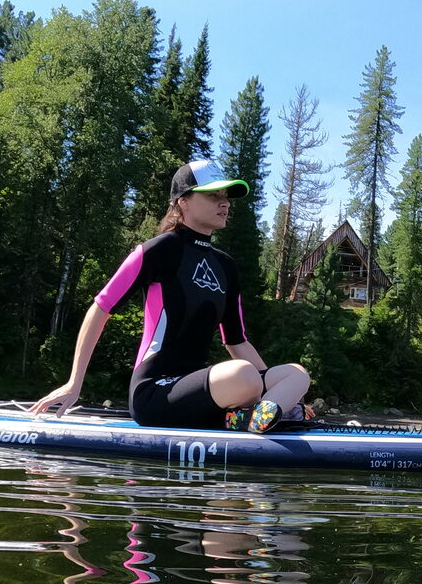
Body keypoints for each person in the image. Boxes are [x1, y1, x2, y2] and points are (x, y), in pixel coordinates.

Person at [31, 159, 309, 433]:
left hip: (205, 391)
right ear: (183, 202)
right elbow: (101, 308)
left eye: (225, 197)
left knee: (296, 374)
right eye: (213, 195)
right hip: (154, 393)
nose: (224, 203)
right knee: (243, 373)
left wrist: (285, 392)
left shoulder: (226, 267)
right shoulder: (157, 251)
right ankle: (256, 416)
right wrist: (74, 382)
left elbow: (237, 341)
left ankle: (263, 415)